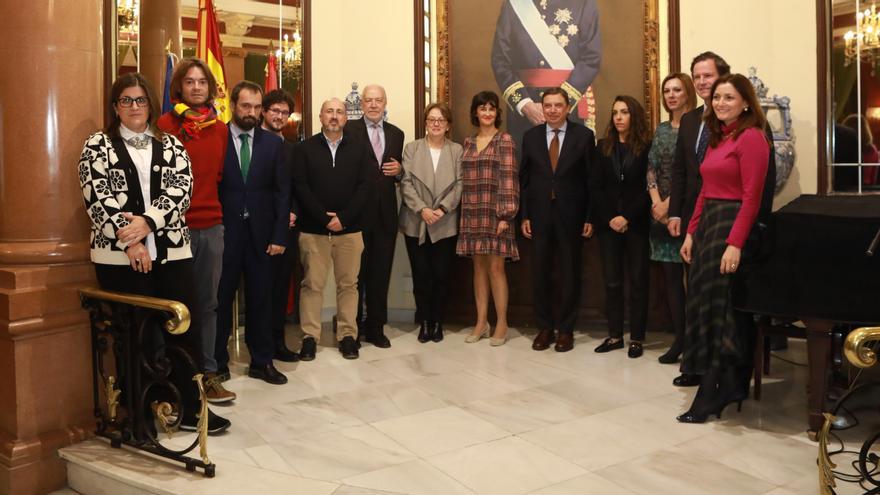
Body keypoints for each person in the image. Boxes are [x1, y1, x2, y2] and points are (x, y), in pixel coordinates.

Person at [79, 72, 230, 434]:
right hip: (118, 259)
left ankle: (190, 408)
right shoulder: (97, 146)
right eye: (126, 100)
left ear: (151, 104)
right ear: (115, 107)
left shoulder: (172, 143)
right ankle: (141, 412)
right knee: (137, 337)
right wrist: (129, 241)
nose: (134, 107)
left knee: (184, 330)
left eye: (141, 100)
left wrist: (148, 223)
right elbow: (96, 196)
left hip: (172, 252)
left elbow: (182, 190)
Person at [677, 73, 770, 423]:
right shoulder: (720, 136)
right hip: (708, 229)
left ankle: (714, 393)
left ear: (746, 102)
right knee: (703, 307)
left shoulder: (752, 138)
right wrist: (690, 233)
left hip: (731, 228)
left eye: (729, 98)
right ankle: (726, 385)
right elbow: (704, 189)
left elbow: (752, 198)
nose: (720, 103)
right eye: (717, 97)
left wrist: (735, 244)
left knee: (722, 314)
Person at [157, 58, 236, 403]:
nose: (196, 87)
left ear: (210, 87)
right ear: (179, 87)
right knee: (174, 306)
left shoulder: (220, 128)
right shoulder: (163, 125)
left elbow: (218, 176)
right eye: (189, 81)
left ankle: (207, 375)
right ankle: (173, 377)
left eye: (202, 81)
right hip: (173, 229)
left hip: (211, 227)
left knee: (207, 305)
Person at [214, 81, 290, 385]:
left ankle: (262, 361)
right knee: (220, 300)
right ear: (233, 105)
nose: (252, 113)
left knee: (261, 299)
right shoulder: (216, 138)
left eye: (257, 107)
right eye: (246, 106)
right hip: (224, 234)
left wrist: (280, 235)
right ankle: (218, 361)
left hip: (262, 236)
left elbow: (282, 193)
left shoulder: (273, 144)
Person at [292, 98, 373, 360]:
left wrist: (344, 218)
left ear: (346, 118)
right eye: (330, 112)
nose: (334, 116)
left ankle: (347, 336)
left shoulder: (360, 148)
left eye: (339, 112)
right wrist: (323, 218)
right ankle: (309, 338)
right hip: (314, 231)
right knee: (312, 285)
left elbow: (365, 186)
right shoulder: (305, 149)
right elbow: (301, 186)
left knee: (349, 285)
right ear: (320, 116)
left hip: (350, 231)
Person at [519, 87, 595, 353]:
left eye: (557, 105)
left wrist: (589, 217)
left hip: (571, 215)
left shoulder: (584, 136)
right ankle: (544, 328)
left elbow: (590, 181)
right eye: (547, 105)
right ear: (542, 107)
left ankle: (565, 330)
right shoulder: (530, 137)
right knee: (539, 272)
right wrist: (525, 214)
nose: (552, 110)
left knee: (569, 272)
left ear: (567, 107)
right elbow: (525, 181)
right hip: (539, 215)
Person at [344, 85, 405, 348]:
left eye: (378, 100)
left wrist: (400, 171)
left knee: (380, 275)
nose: (372, 105)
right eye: (368, 100)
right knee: (354, 276)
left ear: (385, 102)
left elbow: (398, 173)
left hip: (385, 216)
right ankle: (352, 329)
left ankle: (376, 328)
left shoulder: (397, 134)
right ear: (362, 104)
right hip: (357, 216)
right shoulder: (348, 130)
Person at [590, 96, 651, 358]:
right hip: (608, 225)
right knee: (612, 282)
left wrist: (627, 217)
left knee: (638, 282)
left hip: (636, 224)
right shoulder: (602, 147)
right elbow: (595, 187)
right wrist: (612, 218)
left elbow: (649, 189)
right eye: (615, 112)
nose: (618, 117)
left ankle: (637, 338)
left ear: (633, 116)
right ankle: (614, 336)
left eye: (624, 112)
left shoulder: (647, 148)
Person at [457, 91, 519, 345]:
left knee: (496, 268)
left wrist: (506, 214)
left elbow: (509, 177)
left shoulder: (504, 140)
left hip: (496, 214)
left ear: (497, 113)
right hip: (472, 212)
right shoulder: (468, 143)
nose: (487, 113)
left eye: (491, 108)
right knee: (478, 268)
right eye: (482, 108)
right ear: (475, 112)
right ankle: (481, 321)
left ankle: (502, 322)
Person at [491, 0, 601, 142]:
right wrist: (524, 104)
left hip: (569, 108)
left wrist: (562, 102)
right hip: (527, 110)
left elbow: (591, 58)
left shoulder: (584, 3)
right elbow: (500, 60)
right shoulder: (514, 4)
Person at [399, 103, 463, 343]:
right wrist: (423, 209)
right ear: (425, 123)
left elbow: (460, 183)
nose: (436, 123)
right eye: (431, 119)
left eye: (441, 120)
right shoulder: (412, 149)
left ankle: (438, 322)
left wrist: (442, 209)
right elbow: (405, 183)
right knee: (421, 275)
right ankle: (424, 322)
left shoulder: (457, 150)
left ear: (448, 125)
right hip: (416, 221)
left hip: (444, 223)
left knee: (441, 275)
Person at [648, 73, 696, 365]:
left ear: (688, 93)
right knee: (671, 284)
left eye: (677, 90)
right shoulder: (662, 129)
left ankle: (695, 342)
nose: (671, 95)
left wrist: (669, 204)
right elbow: (651, 167)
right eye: (667, 91)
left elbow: (693, 175)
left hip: (686, 212)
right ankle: (679, 339)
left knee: (693, 282)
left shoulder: (697, 127)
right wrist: (656, 203)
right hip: (660, 217)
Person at [261, 89, 301, 362]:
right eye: (274, 110)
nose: (279, 116)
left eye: (284, 112)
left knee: (280, 289)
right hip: (259, 229)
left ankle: (278, 342)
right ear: (263, 112)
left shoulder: (291, 148)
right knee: (260, 290)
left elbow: (298, 186)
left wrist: (294, 212)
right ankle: (260, 346)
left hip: (286, 230)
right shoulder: (251, 143)